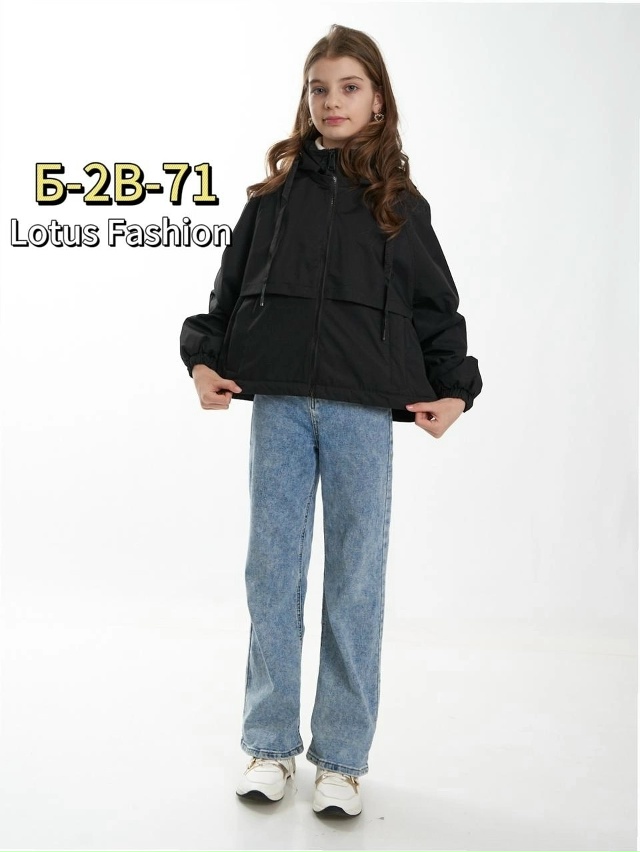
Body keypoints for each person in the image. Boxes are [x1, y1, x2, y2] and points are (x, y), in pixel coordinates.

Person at [180, 23, 482, 817]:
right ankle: (269, 747)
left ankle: (341, 762)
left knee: (355, 583)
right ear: (306, 99)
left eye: (350, 87)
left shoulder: (400, 208)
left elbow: (436, 309)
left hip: (359, 414)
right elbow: (225, 300)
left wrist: (456, 390)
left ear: (378, 101)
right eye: (320, 88)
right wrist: (203, 362)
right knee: (272, 575)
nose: (332, 101)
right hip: (279, 406)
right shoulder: (271, 202)